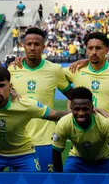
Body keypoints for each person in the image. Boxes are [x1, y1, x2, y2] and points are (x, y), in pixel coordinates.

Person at [0, 67, 70, 172]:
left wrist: (77, 113)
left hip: (23, 154)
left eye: (2, 85)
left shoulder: (25, 104)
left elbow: (55, 115)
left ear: (10, 86)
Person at [8, 28, 73, 172]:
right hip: (18, 141)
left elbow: (73, 96)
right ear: (23, 46)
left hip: (45, 140)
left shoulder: (55, 70)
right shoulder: (12, 70)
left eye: (37, 44)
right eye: (29, 44)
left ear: (43, 47)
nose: (32, 48)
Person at [65, 32, 109, 123]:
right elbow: (53, 75)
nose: (94, 52)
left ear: (106, 50)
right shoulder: (76, 70)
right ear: (86, 51)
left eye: (98, 48)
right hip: (81, 131)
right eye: (90, 48)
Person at [52, 87, 109, 173]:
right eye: (76, 109)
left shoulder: (105, 124)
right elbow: (56, 153)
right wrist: (59, 178)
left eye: (85, 109)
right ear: (71, 108)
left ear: (92, 108)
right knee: (66, 183)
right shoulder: (63, 124)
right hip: (78, 160)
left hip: (106, 159)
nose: (81, 113)